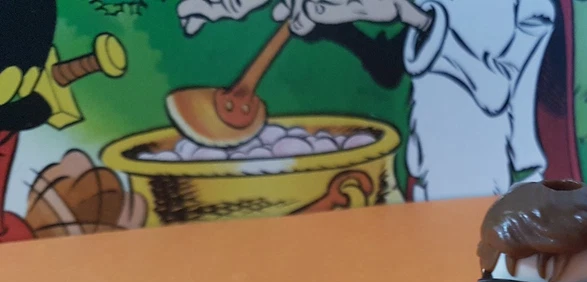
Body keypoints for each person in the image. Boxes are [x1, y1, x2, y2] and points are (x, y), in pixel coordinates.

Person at [177, 0, 556, 201]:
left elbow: (495, 92)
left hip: (495, 181)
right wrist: (225, 6)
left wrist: (418, 19)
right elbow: (387, 62)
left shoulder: (532, 10)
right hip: (427, 171)